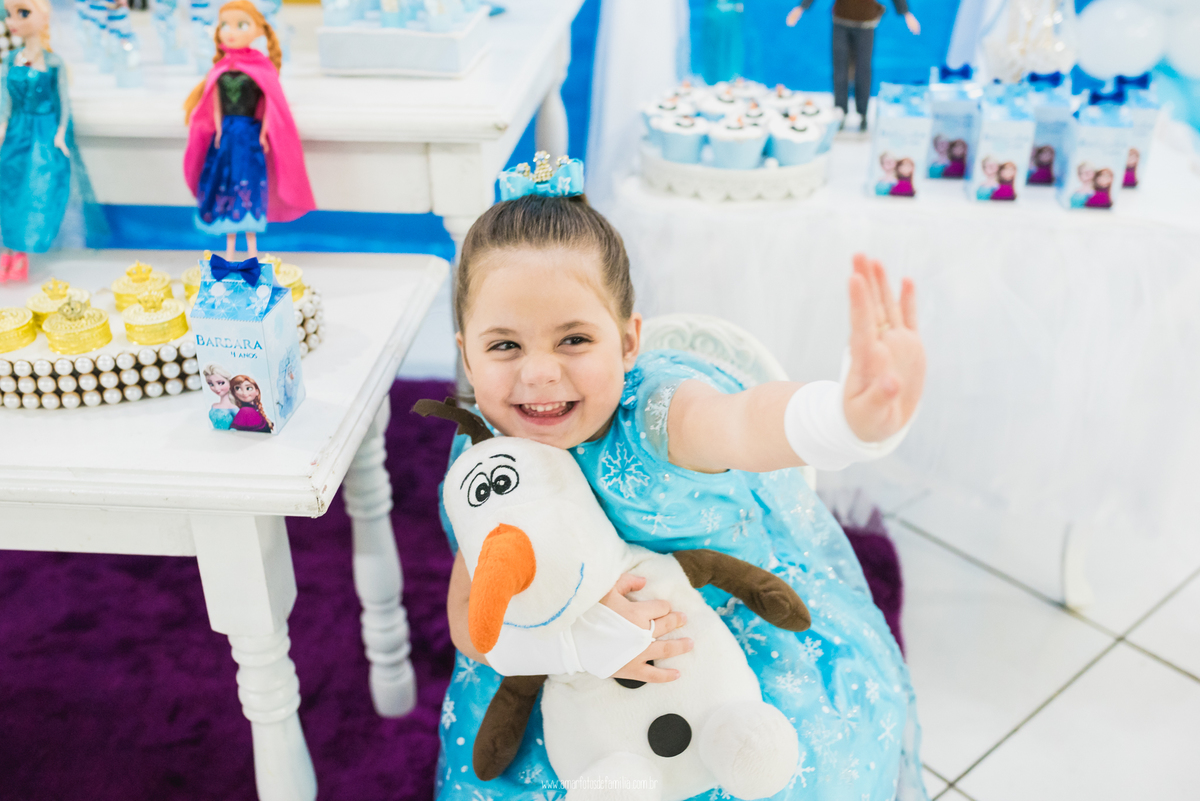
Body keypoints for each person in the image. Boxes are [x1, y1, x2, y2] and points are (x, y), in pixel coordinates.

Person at [434, 158, 928, 801]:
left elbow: (744, 422)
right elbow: (469, 618)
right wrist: (577, 644)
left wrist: (844, 420)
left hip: (720, 652)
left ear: (628, 342)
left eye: (574, 339)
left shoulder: (658, 415)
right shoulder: (487, 459)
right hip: (568, 683)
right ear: (467, 356)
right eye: (504, 346)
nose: (540, 374)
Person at [182, 0, 314, 259]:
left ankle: (252, 254)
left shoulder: (260, 69)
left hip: (249, 138)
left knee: (249, 188)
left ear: (259, 30)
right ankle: (230, 254)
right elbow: (215, 105)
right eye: (225, 25)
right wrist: (217, 129)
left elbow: (270, 106)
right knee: (227, 188)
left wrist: (264, 132)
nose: (231, 31)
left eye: (241, 25)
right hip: (226, 138)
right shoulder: (219, 70)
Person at [0, 0, 99, 282]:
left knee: (35, 191)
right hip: (16, 132)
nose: (12, 21)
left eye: (22, 13)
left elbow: (63, 102)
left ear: (43, 17)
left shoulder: (54, 62)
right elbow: (5, 101)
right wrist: (3, 127)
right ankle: (8, 250)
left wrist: (60, 134)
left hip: (42, 133)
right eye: (8, 15)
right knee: (9, 190)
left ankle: (22, 250)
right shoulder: (10, 59)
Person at [786, 0, 920, 132]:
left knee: (863, 71)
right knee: (840, 71)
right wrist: (801, 7)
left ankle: (863, 113)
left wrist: (906, 13)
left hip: (866, 22)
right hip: (841, 19)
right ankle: (840, 112)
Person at [203, 363, 238, 429]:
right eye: (211, 384)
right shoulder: (214, 405)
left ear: (229, 382)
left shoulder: (233, 408)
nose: (216, 388)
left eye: (221, 383)